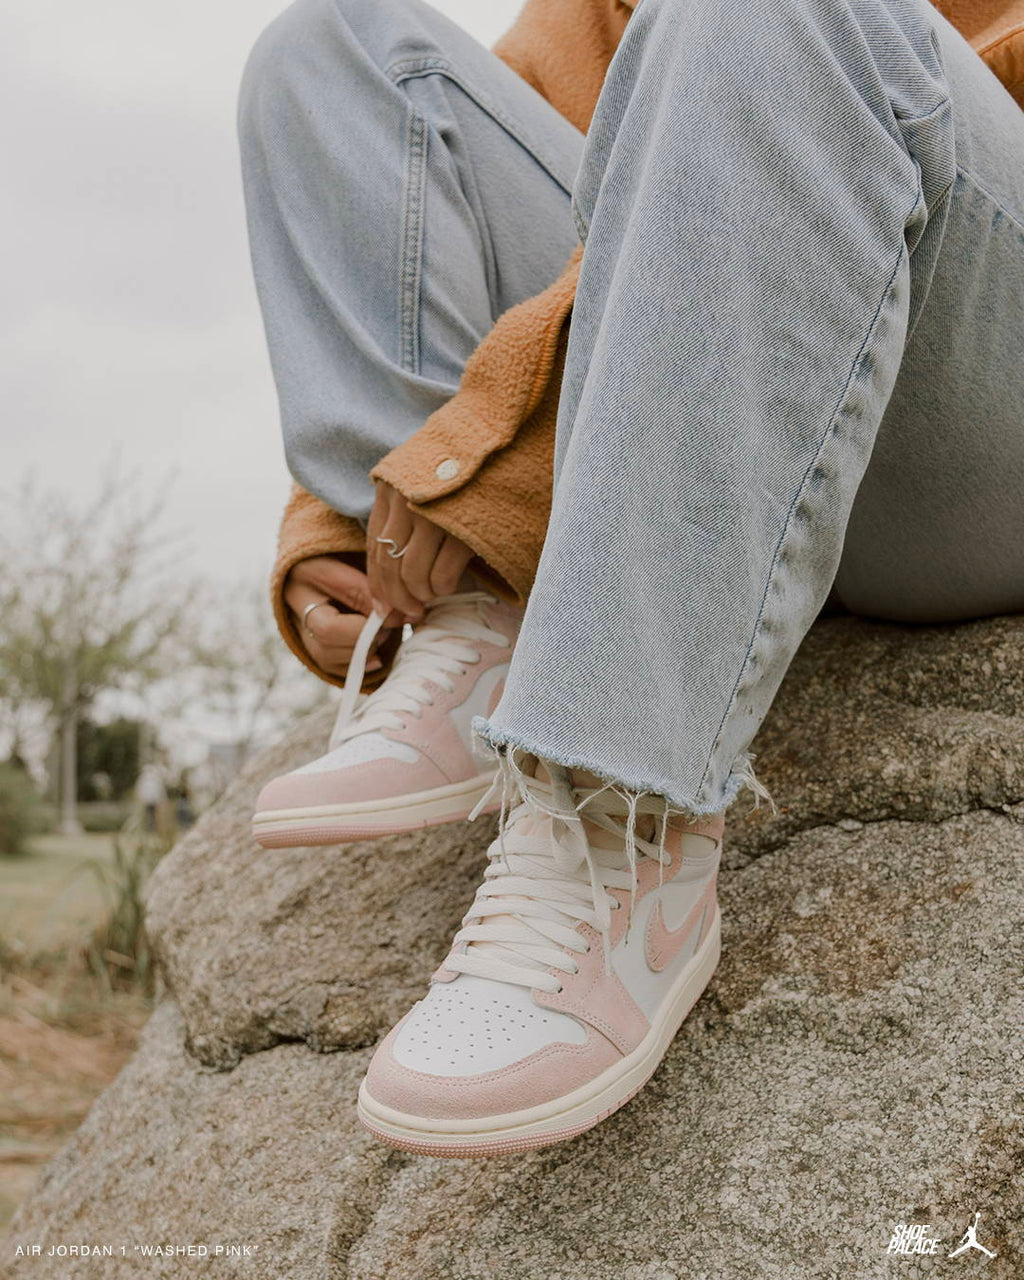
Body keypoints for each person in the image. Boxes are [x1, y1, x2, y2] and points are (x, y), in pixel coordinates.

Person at [238, 0, 1024, 1155]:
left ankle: (614, 805)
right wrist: (347, 514)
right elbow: (537, 154)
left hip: (967, 420)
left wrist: (495, 427)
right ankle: (474, 598)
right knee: (336, 53)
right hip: (740, 394)